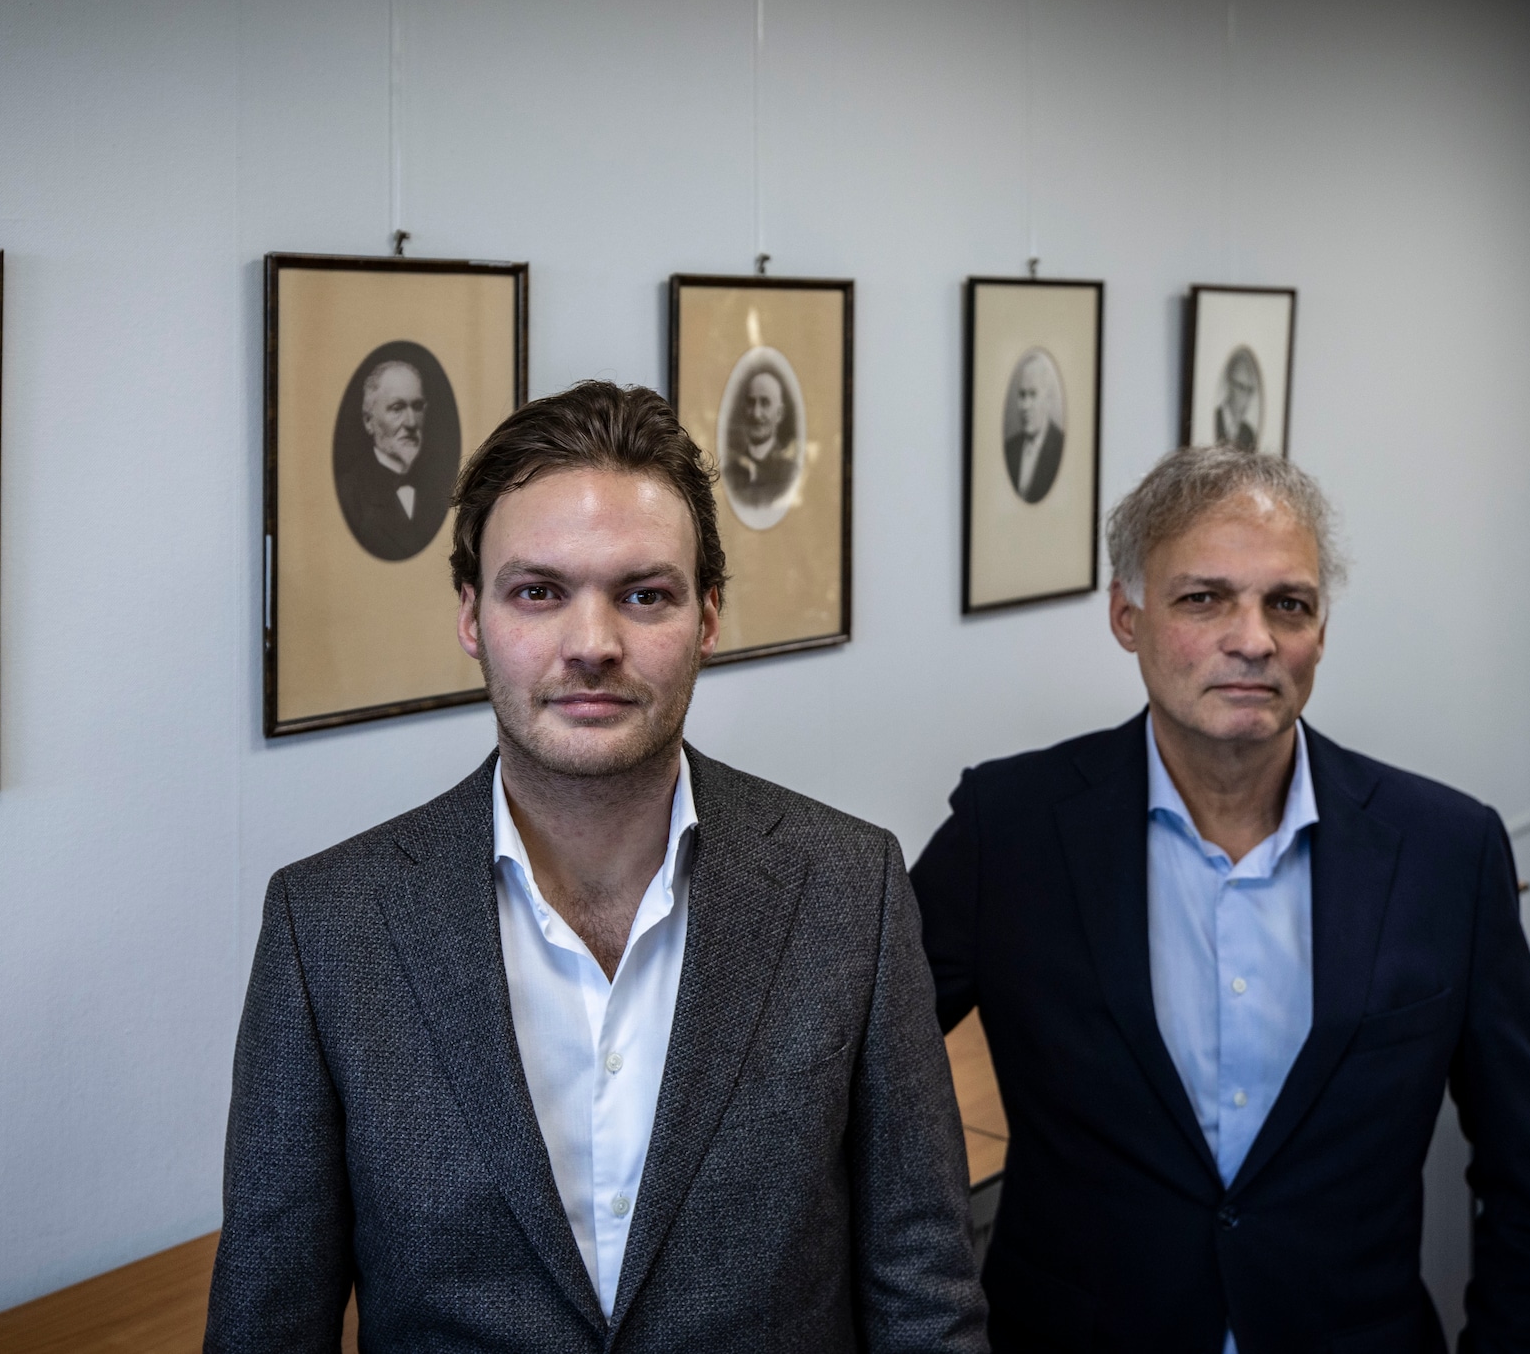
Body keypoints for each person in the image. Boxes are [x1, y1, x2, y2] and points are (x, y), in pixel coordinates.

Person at [208, 380, 985, 1353]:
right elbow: (267, 1323)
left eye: (642, 595)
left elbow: (923, 1290)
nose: (591, 644)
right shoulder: (328, 926)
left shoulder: (848, 888)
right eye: (537, 592)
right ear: (469, 616)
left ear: (706, 618)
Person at [911, 447, 1530, 1352]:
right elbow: (847, 1083)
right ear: (1128, 616)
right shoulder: (1008, 831)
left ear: (1320, 627)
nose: (1255, 637)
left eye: (1289, 603)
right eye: (1204, 598)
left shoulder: (1446, 852)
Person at [336, 358, 446, 560]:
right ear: (369, 421)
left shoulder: (441, 490)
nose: (411, 422)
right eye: (397, 408)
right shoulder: (349, 492)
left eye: (417, 406)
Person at [721, 365, 798, 510]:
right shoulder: (729, 473)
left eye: (765, 403)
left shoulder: (790, 473)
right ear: (744, 410)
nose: (756, 414)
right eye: (751, 402)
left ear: (779, 413)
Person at [1004, 351, 1065, 504]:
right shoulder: (1010, 448)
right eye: (1022, 395)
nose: (1025, 406)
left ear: (1048, 399)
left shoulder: (1060, 447)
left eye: (1032, 394)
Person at [1214, 348, 1262, 451]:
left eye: (1249, 390)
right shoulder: (1216, 419)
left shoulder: (1248, 433)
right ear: (1230, 384)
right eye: (1241, 387)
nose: (1246, 397)